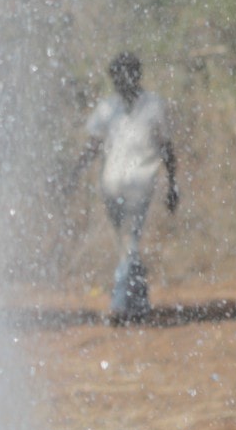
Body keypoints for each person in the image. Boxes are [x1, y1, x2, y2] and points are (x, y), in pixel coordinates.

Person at [71, 52, 178, 325]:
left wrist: (173, 185)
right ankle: (139, 301)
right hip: (111, 186)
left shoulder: (154, 106)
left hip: (141, 185)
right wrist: (74, 174)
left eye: (125, 76)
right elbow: (93, 145)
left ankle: (120, 302)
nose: (121, 82)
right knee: (126, 244)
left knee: (130, 239)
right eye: (116, 77)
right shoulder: (108, 108)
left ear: (137, 76)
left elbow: (166, 147)